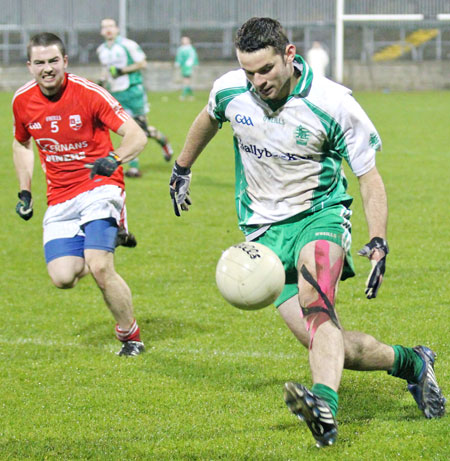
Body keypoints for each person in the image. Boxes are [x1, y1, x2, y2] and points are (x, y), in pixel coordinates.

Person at [169, 18, 446, 447]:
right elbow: (208, 118)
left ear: (289, 55)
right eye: (248, 72)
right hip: (263, 233)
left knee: (317, 305)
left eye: (265, 71)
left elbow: (369, 178)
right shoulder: (230, 91)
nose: (257, 82)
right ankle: (412, 363)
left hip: (321, 216)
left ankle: (323, 410)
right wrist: (182, 167)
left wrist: (378, 239)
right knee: (322, 339)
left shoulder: (334, 103)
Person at [13, 32, 148, 357]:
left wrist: (113, 159)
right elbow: (21, 142)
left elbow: (136, 135)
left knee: (100, 266)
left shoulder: (89, 93)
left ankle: (130, 336)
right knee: (63, 277)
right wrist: (25, 190)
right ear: (30, 66)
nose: (48, 68)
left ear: (65, 62)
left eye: (53, 61)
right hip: (60, 196)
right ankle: (106, 239)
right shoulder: (21, 100)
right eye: (40, 62)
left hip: (100, 187)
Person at [97, 18, 173, 178]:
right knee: (127, 130)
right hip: (116, 94)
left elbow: (142, 63)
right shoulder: (101, 50)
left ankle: (163, 140)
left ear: (117, 29)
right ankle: (134, 167)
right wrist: (102, 82)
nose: (108, 29)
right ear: (101, 31)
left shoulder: (128, 45)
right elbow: (106, 71)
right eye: (105, 27)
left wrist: (122, 70)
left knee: (141, 129)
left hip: (133, 91)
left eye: (111, 26)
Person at [175, 36, 199, 100]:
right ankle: (191, 95)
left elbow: (194, 57)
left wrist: (195, 64)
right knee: (186, 81)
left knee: (186, 80)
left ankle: (183, 95)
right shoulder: (181, 49)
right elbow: (179, 57)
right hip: (184, 66)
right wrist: (178, 63)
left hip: (188, 66)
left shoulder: (190, 49)